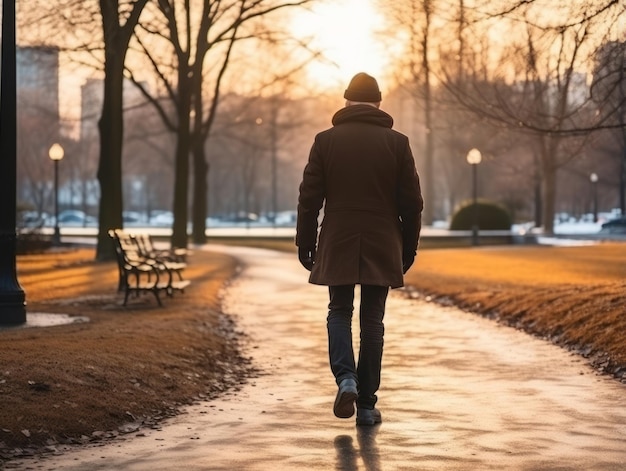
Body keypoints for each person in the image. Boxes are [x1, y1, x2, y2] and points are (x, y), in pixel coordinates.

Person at [296, 72, 424, 426]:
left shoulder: (325, 141)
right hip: (383, 240)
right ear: (380, 103)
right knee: (372, 322)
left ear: (347, 101)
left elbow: (309, 201)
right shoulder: (398, 143)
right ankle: (366, 405)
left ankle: (346, 378)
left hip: (338, 237)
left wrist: (306, 243)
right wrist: (408, 249)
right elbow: (412, 205)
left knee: (339, 311)